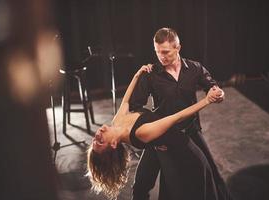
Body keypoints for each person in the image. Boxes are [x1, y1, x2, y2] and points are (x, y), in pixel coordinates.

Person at [86, 64, 223, 200]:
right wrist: (207, 100)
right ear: (114, 144)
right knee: (171, 191)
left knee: (172, 190)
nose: (97, 134)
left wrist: (138, 74)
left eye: (95, 140)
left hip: (170, 145)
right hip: (183, 152)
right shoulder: (141, 133)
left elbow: (127, 98)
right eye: (101, 141)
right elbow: (177, 117)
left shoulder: (117, 121)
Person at [129, 27, 231, 200]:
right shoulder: (151, 74)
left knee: (212, 172)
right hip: (163, 135)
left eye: (166, 52)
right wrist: (152, 131)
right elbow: (135, 107)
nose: (161, 56)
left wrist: (218, 94)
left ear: (178, 48)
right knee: (142, 183)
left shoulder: (194, 68)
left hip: (190, 130)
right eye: (157, 52)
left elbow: (213, 87)